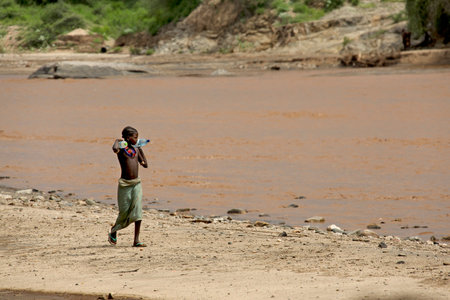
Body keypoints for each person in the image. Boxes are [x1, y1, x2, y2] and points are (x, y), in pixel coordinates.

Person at [108, 126, 148, 247]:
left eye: (137, 137)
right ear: (127, 138)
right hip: (125, 184)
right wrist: (117, 140)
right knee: (124, 212)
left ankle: (136, 240)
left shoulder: (136, 150)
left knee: (138, 211)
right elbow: (114, 148)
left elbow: (145, 164)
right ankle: (114, 230)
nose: (137, 139)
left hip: (136, 183)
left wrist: (140, 149)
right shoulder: (121, 149)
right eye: (135, 137)